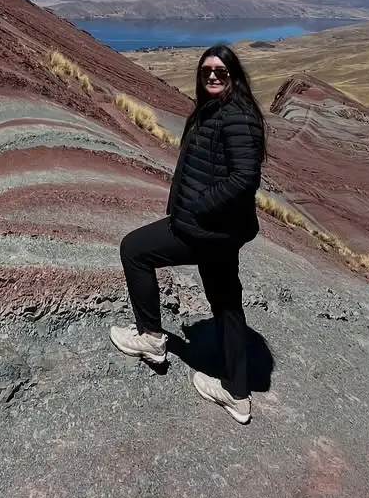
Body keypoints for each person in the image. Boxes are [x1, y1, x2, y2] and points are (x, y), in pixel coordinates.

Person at [109, 44, 266, 423]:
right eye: (206, 71)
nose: (212, 76)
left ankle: (151, 338)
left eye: (220, 71)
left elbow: (245, 178)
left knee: (134, 250)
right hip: (221, 233)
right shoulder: (217, 110)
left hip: (204, 229)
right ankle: (237, 393)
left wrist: (199, 206)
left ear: (234, 76)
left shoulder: (237, 117)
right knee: (226, 303)